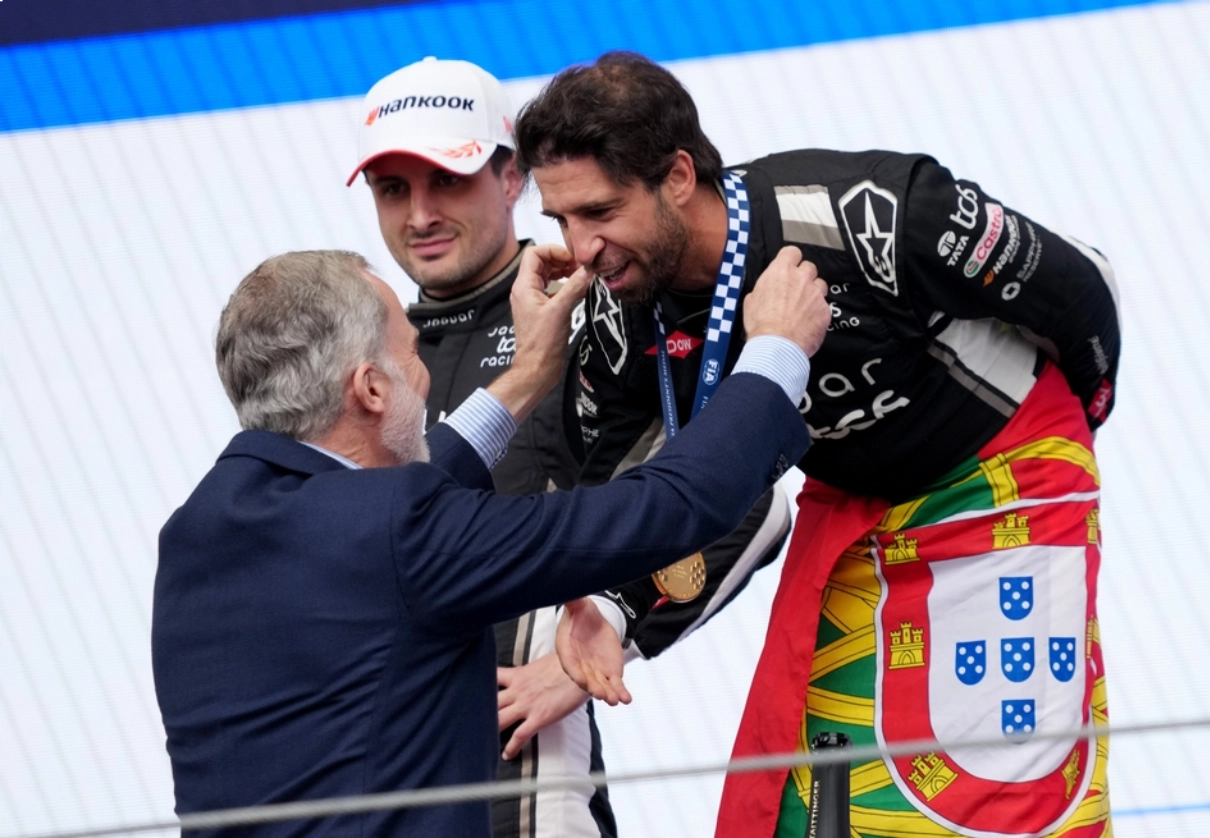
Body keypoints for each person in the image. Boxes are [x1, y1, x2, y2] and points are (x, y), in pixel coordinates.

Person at [516, 52, 1121, 838]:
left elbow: (1082, 290)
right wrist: (609, 606)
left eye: (599, 212)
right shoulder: (616, 314)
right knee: (812, 794)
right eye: (562, 221)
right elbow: (618, 492)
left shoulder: (871, 212)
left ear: (675, 176)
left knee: (994, 791)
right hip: (857, 513)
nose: (583, 247)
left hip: (1005, 485)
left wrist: (1072, 448)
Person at [152, 247, 827, 836]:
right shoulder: (398, 535)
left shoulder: (197, 533)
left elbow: (375, 513)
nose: (425, 379)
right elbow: (660, 510)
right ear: (371, 388)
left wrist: (530, 372)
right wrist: (775, 353)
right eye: (412, 356)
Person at [347, 57, 793, 837]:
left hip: (528, 793)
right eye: (394, 189)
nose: (419, 214)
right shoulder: (366, 354)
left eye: (447, 180)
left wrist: (599, 640)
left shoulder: (592, 312)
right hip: (377, 793)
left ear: (512, 177)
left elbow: (748, 495)